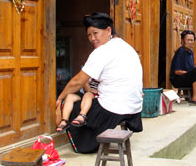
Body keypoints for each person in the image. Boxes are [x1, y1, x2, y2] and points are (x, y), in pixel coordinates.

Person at [56, 12, 143, 153]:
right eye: (89, 35)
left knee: (71, 105)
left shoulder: (103, 51)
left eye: (95, 33)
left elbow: (78, 81)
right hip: (134, 108)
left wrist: (59, 98)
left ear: (108, 30)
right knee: (85, 98)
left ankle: (85, 145)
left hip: (113, 109)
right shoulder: (126, 47)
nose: (92, 38)